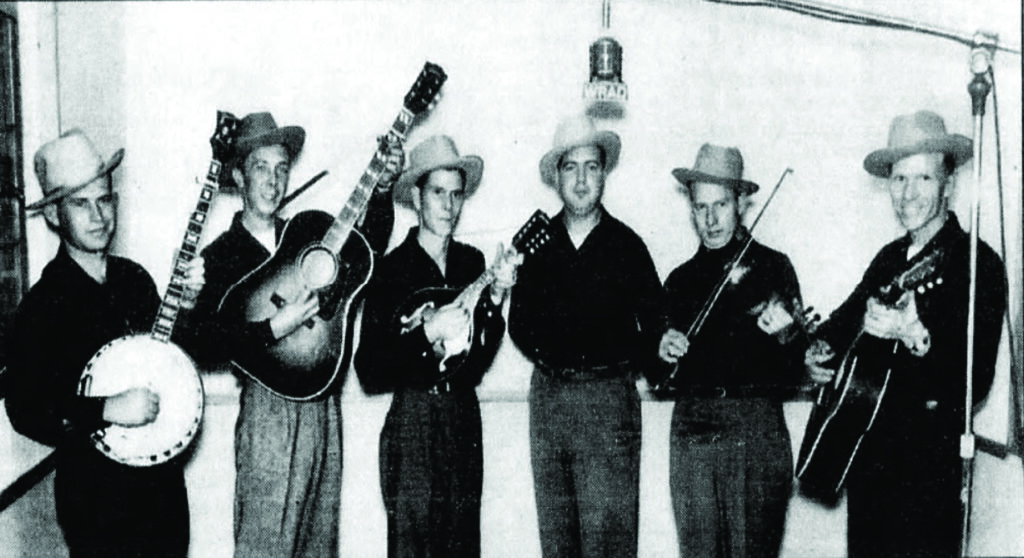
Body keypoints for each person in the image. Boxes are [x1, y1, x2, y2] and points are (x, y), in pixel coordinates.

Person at [178, 112, 403, 558]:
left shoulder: (306, 235)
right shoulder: (218, 258)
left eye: (282, 168)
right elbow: (199, 345)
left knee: (319, 548)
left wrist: (381, 190)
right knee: (266, 548)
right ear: (239, 176)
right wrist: (269, 329)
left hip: (323, 409)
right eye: (261, 167)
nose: (273, 180)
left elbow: (364, 252)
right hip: (268, 415)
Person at [805, 110, 1006, 558]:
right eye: (898, 180)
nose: (908, 194)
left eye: (923, 179)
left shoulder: (978, 264)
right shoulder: (888, 259)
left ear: (949, 184)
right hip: (868, 464)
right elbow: (840, 326)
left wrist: (915, 334)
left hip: (929, 474)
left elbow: (976, 381)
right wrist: (818, 355)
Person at [5, 129, 206, 557]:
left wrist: (186, 304)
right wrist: (107, 408)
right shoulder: (42, 306)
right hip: (97, 502)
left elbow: (171, 362)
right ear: (55, 216)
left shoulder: (134, 280)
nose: (98, 216)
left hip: (163, 491)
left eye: (104, 199)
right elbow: (25, 408)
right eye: (80, 204)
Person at [356, 135, 521, 558]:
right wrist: (427, 333)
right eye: (437, 193)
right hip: (412, 422)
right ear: (415, 196)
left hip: (462, 418)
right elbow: (368, 370)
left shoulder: (471, 263)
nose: (448, 205)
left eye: (456, 194)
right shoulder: (390, 270)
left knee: (463, 545)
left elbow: (478, 361)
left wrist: (497, 299)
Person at [508, 115, 663, 558]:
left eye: (591, 167)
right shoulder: (536, 243)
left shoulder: (628, 246)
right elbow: (519, 323)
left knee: (608, 543)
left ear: (604, 173)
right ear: (556, 176)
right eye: (570, 167)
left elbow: (655, 328)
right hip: (549, 401)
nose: (581, 179)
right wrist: (555, 360)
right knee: (558, 542)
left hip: (607, 404)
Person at [657, 144, 805, 557]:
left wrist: (787, 336)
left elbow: (794, 371)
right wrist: (662, 351)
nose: (710, 219)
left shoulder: (774, 267)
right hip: (692, 427)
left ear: (741, 202)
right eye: (700, 206)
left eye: (720, 204)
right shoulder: (679, 280)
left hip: (755, 428)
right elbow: (658, 372)